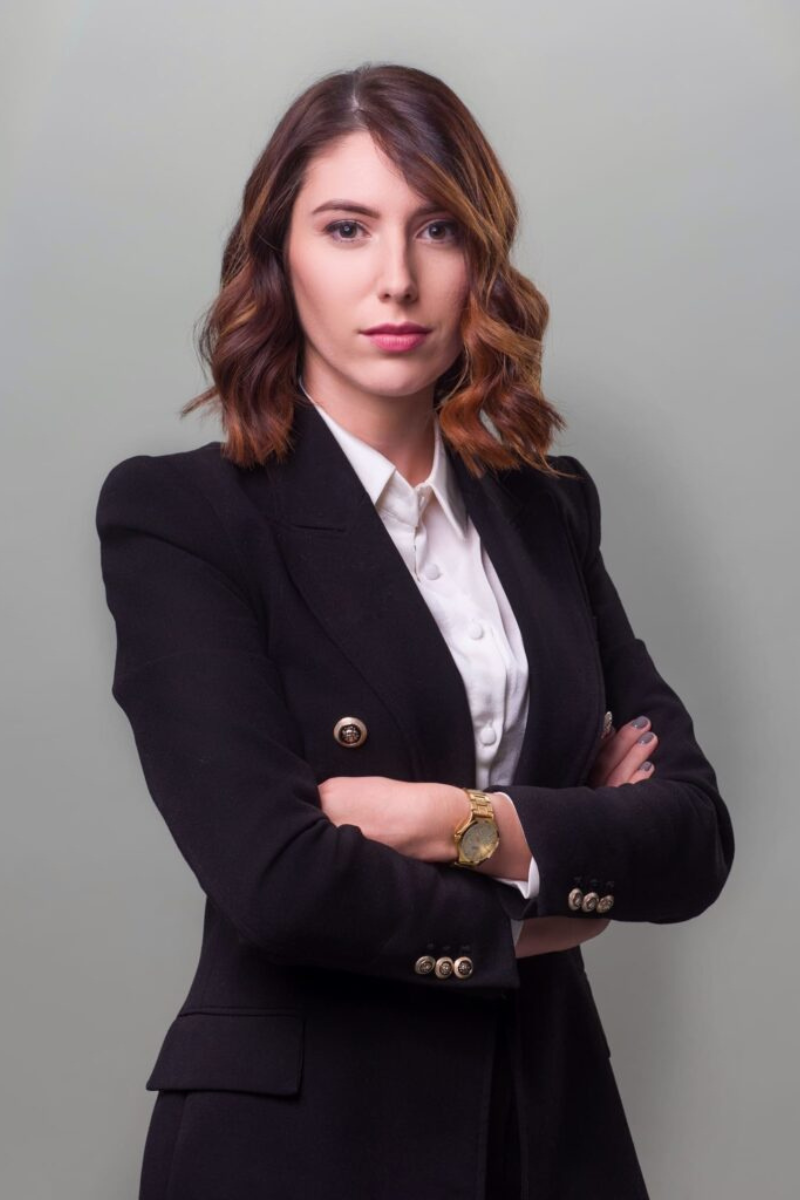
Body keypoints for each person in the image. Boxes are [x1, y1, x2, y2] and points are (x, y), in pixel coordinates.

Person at [95, 62, 735, 1200]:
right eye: (346, 228)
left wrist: (457, 824)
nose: (395, 278)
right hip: (303, 1142)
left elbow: (689, 837)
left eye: (436, 228)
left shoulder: (546, 508)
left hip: (546, 1129)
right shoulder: (184, 515)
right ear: (278, 256)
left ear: (481, 260)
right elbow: (277, 879)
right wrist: (543, 893)